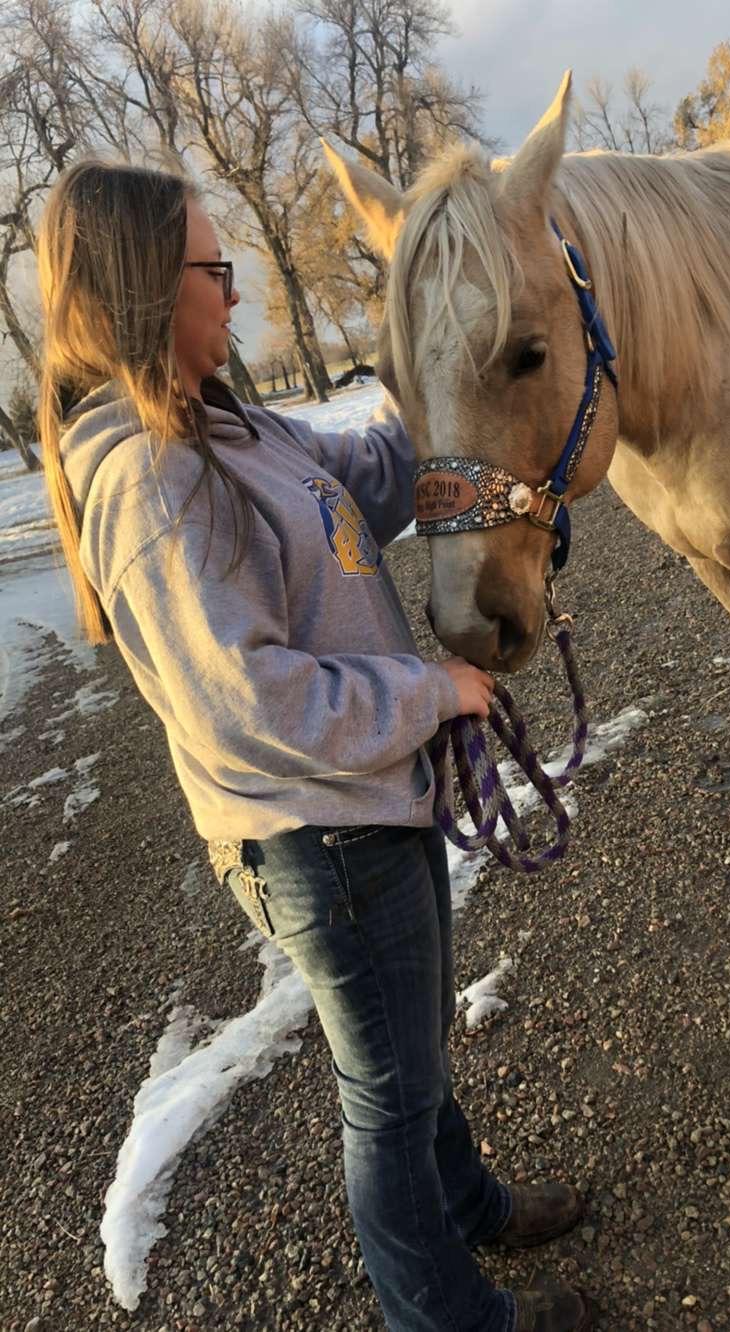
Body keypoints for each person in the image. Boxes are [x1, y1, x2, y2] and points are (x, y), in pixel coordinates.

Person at [37, 159, 592, 1332]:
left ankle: (473, 1203)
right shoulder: (149, 476)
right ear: (146, 287)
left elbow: (370, 480)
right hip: (316, 834)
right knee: (386, 1092)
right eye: (213, 269)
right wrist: (429, 688)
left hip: (363, 805)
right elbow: (246, 700)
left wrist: (429, 349)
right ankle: (443, 1316)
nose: (233, 294)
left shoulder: (226, 424)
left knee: (414, 1039)